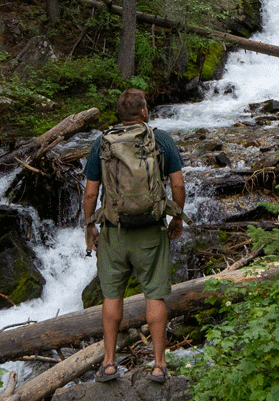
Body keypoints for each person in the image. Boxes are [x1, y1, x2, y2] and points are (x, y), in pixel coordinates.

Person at [82, 89, 186, 383]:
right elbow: (177, 186)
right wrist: (176, 216)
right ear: (143, 112)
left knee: (111, 295)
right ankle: (159, 364)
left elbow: (91, 192)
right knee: (155, 294)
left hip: (115, 233)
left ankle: (109, 363)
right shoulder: (160, 139)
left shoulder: (101, 143)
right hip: (151, 231)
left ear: (119, 114)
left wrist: (90, 226)